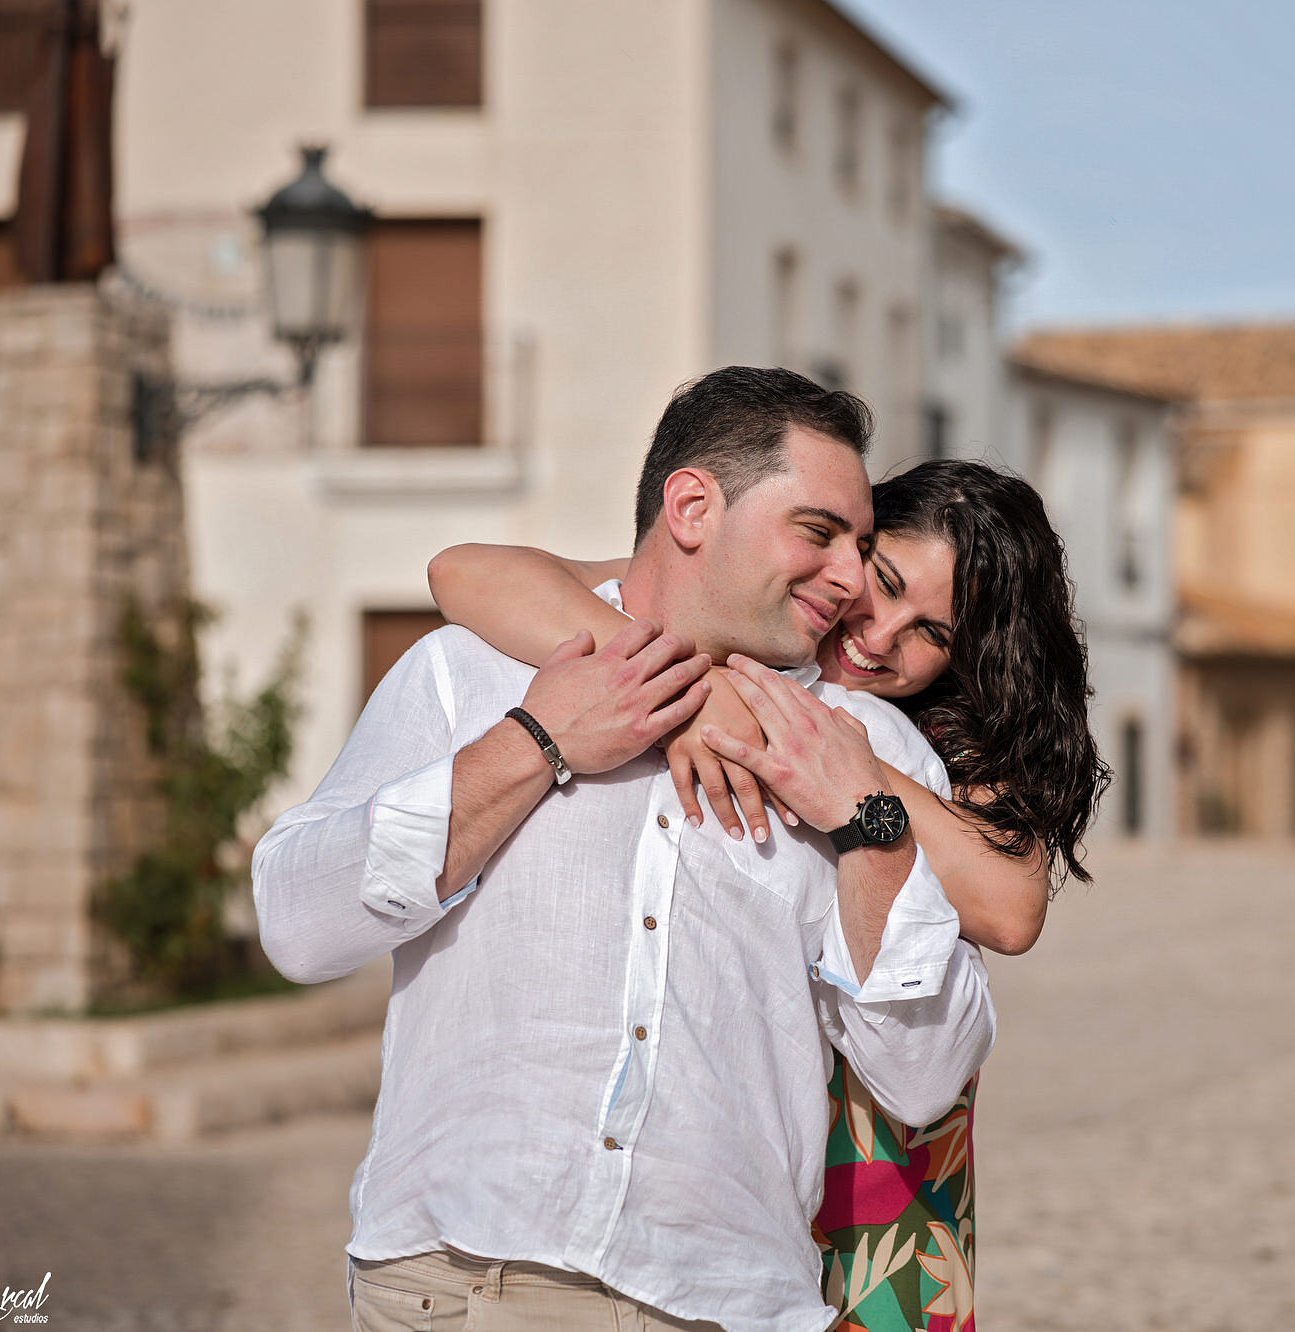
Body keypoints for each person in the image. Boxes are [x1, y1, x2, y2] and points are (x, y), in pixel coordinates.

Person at [252, 368, 996, 1332]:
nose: (852, 581)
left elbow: (926, 1077)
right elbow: (297, 926)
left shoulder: (868, 751)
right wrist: (537, 743)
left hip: (724, 1306)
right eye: (818, 534)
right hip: (463, 1285)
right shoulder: (471, 671)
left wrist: (867, 825)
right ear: (691, 506)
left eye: (860, 547)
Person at [429, 459, 1108, 1332]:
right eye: (884, 583)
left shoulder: (946, 736)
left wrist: (848, 776)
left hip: (879, 1113)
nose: (880, 636)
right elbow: (462, 569)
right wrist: (698, 692)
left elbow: (1012, 907)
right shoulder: (730, 618)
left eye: (930, 631)